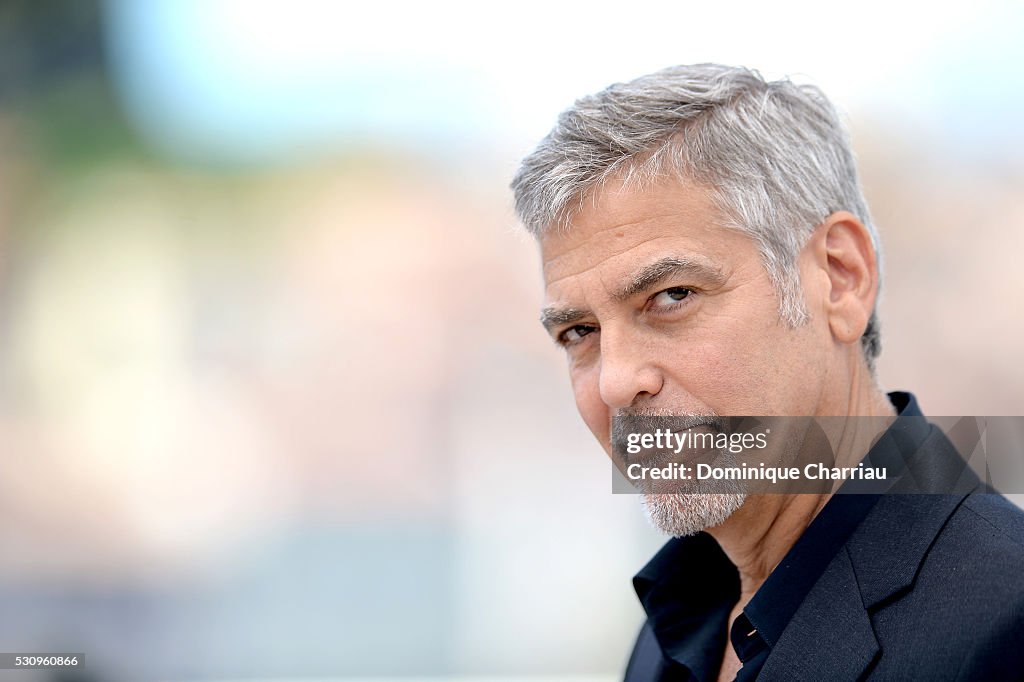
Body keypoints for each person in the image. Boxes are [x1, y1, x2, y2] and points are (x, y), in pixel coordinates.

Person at [510, 64, 1024, 681]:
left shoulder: (1004, 625)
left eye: (672, 296)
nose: (616, 383)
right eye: (580, 333)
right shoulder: (671, 633)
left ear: (839, 277)